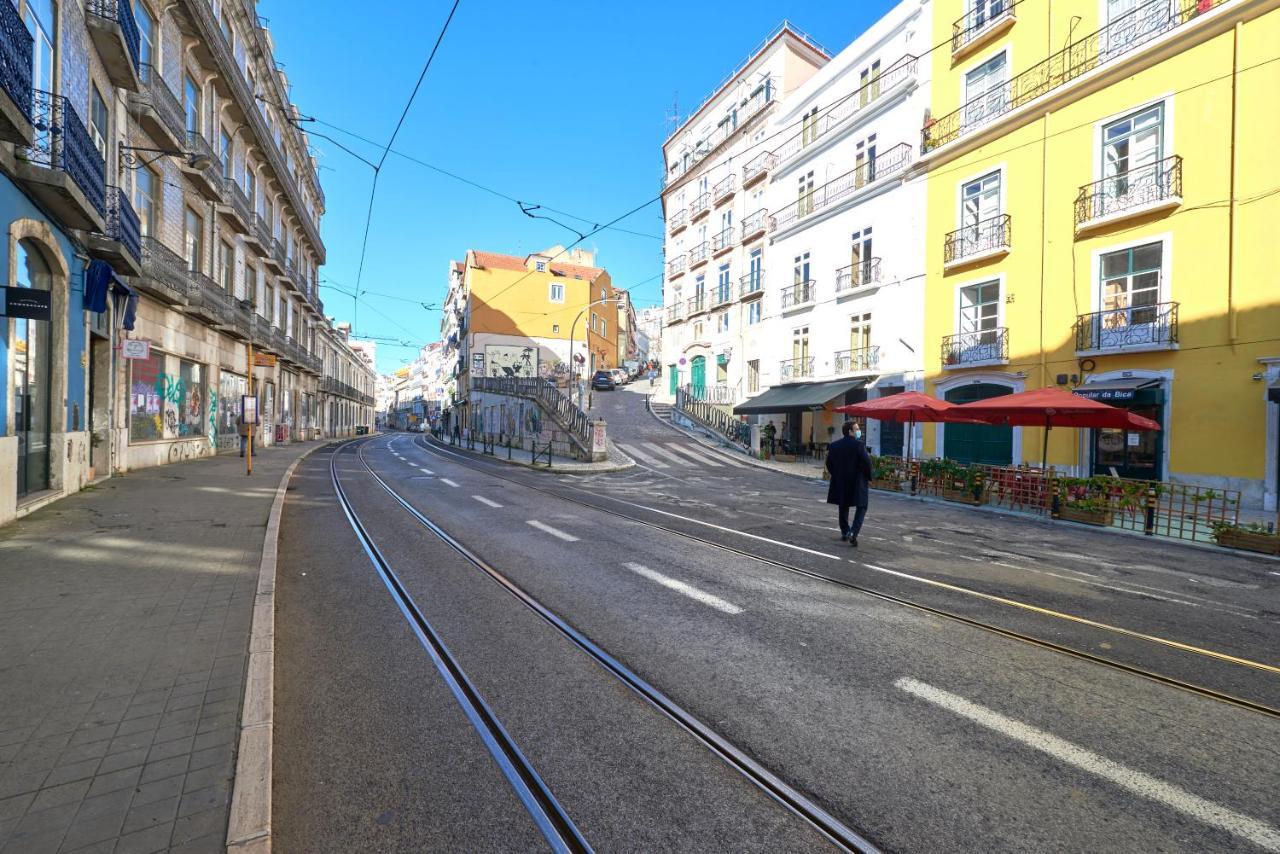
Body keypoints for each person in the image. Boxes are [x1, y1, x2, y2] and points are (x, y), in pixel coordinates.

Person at [826, 420, 873, 547]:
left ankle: (845, 531)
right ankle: (853, 532)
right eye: (856, 429)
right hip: (857, 481)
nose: (859, 431)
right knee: (862, 506)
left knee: (843, 505)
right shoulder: (859, 445)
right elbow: (867, 462)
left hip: (840, 480)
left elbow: (829, 463)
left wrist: (836, 474)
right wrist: (869, 477)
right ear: (850, 432)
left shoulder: (834, 445)